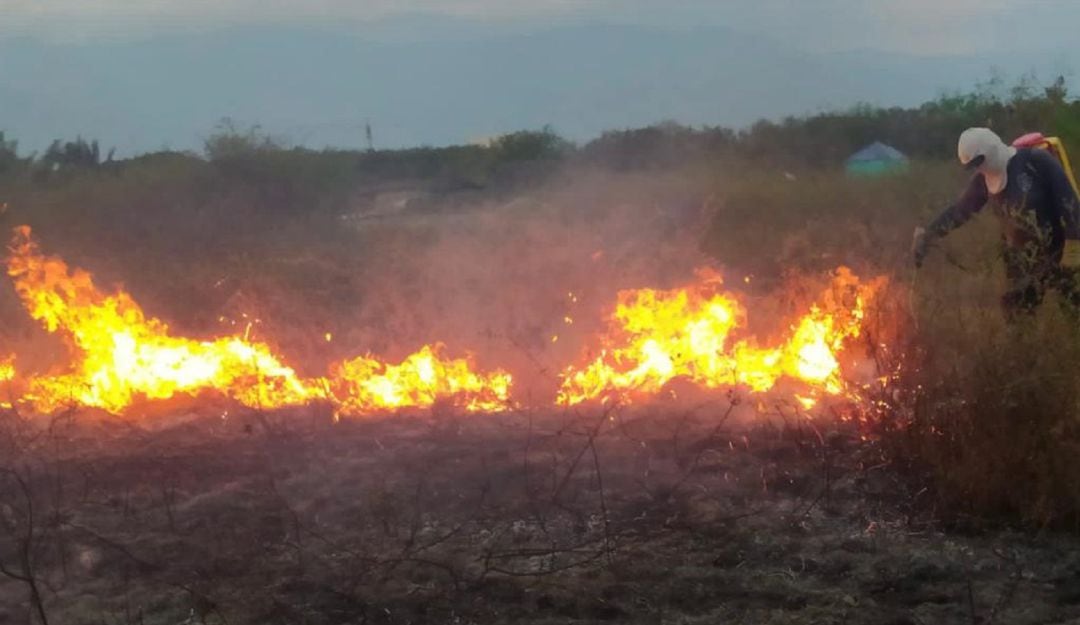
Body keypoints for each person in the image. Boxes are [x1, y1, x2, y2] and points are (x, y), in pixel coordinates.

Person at [912, 127, 1080, 316]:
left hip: (1059, 251)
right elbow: (959, 211)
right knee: (1017, 318)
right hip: (1021, 261)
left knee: (1074, 311)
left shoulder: (1036, 161)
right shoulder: (983, 180)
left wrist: (1073, 253)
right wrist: (928, 235)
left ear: (990, 149)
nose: (978, 167)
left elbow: (1071, 205)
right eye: (972, 165)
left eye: (978, 161)